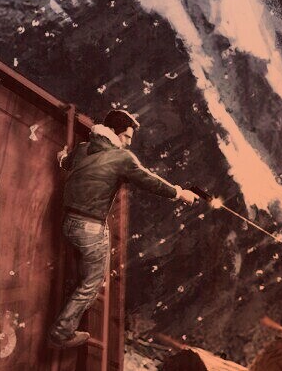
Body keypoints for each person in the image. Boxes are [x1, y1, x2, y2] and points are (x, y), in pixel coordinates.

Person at [49, 109, 198, 348]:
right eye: (127, 136)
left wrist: (61, 157)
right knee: (92, 283)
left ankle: (67, 312)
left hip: (68, 224)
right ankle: (61, 331)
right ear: (115, 132)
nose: (129, 142)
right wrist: (180, 193)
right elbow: (149, 180)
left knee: (80, 275)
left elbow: (66, 162)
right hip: (91, 229)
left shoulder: (83, 149)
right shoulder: (122, 158)